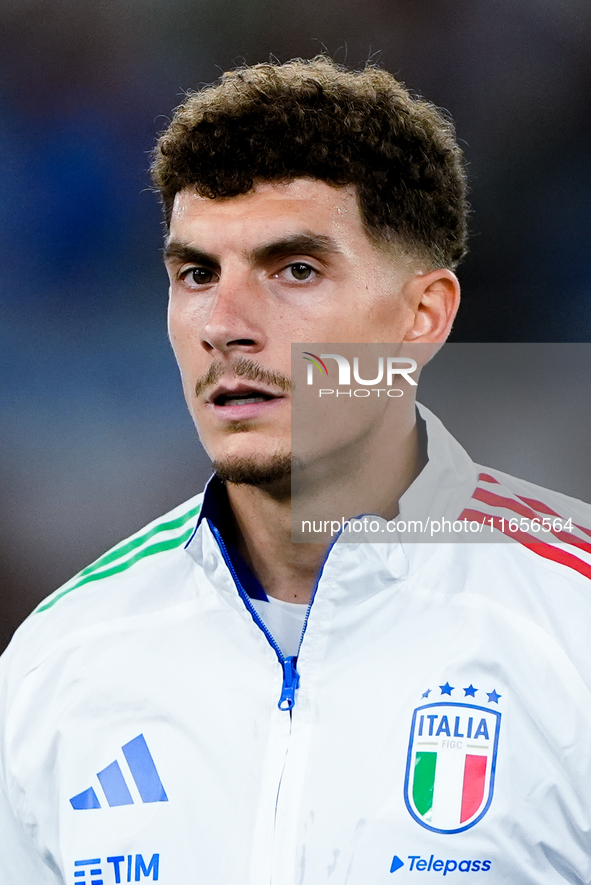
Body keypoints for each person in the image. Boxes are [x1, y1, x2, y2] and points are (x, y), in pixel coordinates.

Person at [1, 57, 591, 884]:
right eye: (196, 274)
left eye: (295, 270)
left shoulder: (571, 621)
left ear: (421, 317)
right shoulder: (62, 657)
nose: (224, 325)